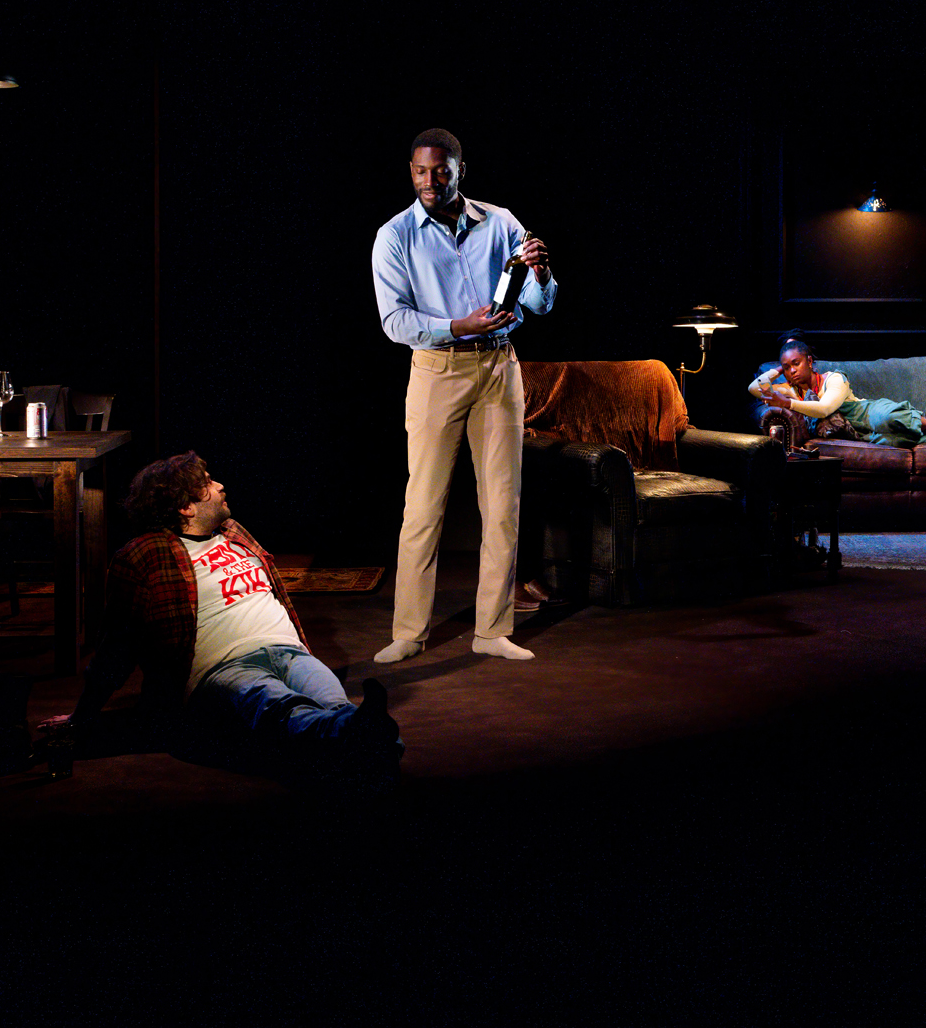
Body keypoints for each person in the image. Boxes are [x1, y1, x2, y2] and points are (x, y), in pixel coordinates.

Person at [39, 451, 401, 791]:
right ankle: (369, 740)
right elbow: (116, 645)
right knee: (277, 705)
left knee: (335, 703)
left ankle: (360, 734)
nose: (220, 486)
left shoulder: (233, 533)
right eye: (208, 484)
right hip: (225, 667)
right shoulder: (145, 555)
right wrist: (81, 717)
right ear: (185, 507)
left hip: (289, 652)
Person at [370, 128, 557, 664]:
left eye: (441, 171)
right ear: (411, 172)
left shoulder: (500, 222)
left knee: (502, 504)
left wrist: (542, 274)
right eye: (420, 172)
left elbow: (539, 304)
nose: (430, 181)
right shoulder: (395, 236)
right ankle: (409, 631)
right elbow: (394, 321)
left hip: (499, 367)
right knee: (423, 506)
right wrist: (458, 325)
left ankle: (492, 630)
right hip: (438, 371)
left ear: (459, 170)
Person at [749, 336, 926, 446]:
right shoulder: (792, 391)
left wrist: (786, 402)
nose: (792, 370)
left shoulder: (834, 379)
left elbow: (824, 408)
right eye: (787, 367)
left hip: (866, 412)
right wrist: (779, 369)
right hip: (855, 431)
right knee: (892, 439)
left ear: (809, 361)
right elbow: (753, 388)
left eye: (796, 363)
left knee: (887, 418)